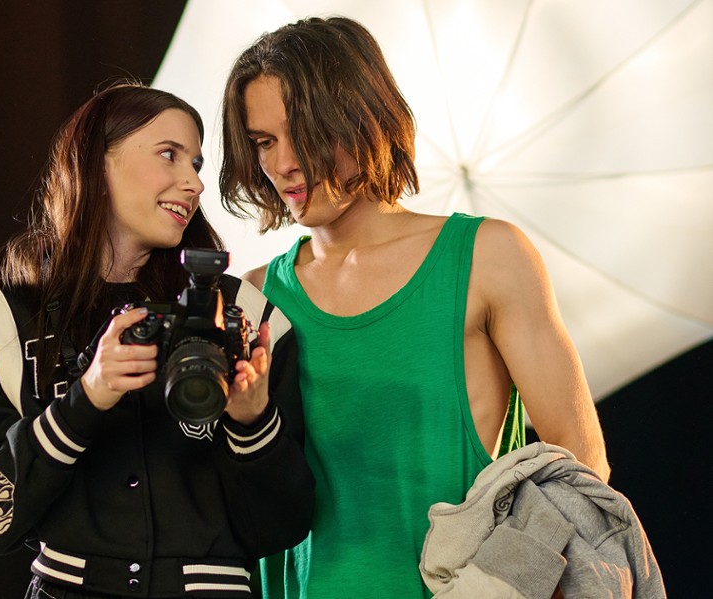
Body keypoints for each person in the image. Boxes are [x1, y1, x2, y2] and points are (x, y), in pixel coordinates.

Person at [219, 16, 610, 598]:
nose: (282, 165)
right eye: (264, 142)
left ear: (363, 116)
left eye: (302, 130)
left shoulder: (487, 256)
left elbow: (583, 468)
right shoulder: (253, 297)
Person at [0, 82, 314, 599]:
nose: (194, 184)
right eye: (169, 155)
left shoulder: (247, 317)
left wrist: (252, 423)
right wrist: (84, 400)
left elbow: (283, 528)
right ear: (96, 164)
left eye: (196, 164)